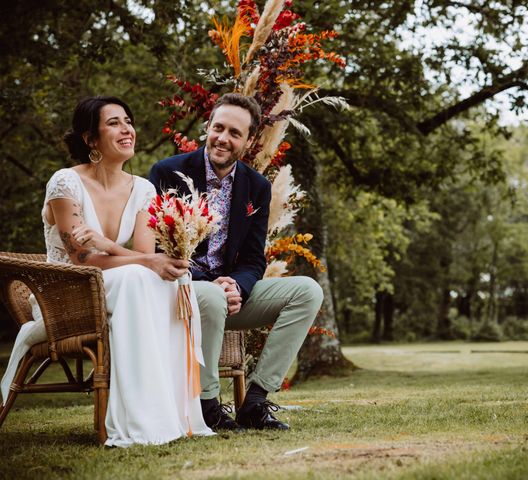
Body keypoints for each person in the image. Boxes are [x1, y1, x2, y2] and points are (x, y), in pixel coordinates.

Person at [0, 96, 212, 447]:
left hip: (117, 283)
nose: (127, 129)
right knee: (137, 277)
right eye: (114, 122)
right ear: (90, 139)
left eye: (128, 121)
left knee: (171, 281)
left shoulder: (143, 189)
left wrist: (108, 244)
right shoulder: (64, 183)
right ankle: (139, 421)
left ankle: (174, 414)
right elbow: (83, 260)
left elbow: (143, 256)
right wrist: (134, 258)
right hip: (65, 295)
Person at [149, 93, 323, 431]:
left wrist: (236, 284)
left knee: (308, 291)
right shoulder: (167, 172)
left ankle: (255, 402)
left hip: (229, 298)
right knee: (212, 295)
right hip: (178, 293)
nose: (223, 139)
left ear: (248, 140)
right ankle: (207, 404)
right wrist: (210, 283)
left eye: (234, 133)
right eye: (218, 128)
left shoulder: (257, 187)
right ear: (208, 127)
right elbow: (157, 248)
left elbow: (255, 258)